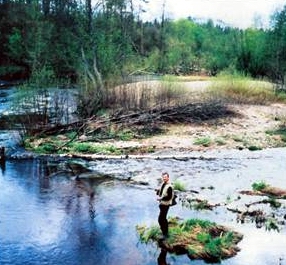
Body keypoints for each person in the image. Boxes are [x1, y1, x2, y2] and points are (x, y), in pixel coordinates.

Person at [156, 172, 173, 239]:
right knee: (162, 219)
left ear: (168, 177)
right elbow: (162, 192)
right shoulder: (163, 184)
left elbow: (169, 197)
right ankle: (164, 232)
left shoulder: (169, 187)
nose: (164, 178)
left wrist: (161, 198)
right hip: (162, 204)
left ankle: (165, 234)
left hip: (166, 205)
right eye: (163, 177)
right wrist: (158, 192)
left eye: (165, 177)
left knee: (161, 219)